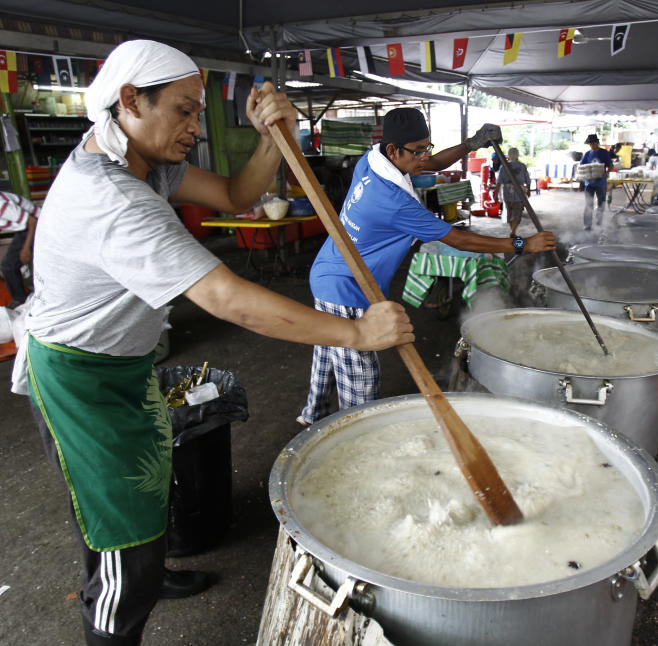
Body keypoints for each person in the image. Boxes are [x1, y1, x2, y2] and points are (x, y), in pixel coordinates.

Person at [18, 40, 414, 646]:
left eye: (198, 110)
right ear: (130, 101)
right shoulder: (113, 198)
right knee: (114, 517)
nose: (194, 127)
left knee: (139, 494)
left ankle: (144, 573)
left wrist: (267, 139)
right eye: (183, 110)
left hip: (122, 367)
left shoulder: (142, 163)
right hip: (79, 379)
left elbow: (236, 196)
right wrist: (358, 332)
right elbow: (229, 300)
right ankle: (121, 605)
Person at [299, 108, 556, 426]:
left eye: (426, 147)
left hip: (325, 270)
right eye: (418, 151)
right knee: (361, 377)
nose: (425, 157)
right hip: (347, 288)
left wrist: (472, 143)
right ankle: (357, 431)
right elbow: (460, 241)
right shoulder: (393, 201)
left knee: (328, 348)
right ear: (395, 149)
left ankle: (314, 414)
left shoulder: (373, 159)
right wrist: (522, 244)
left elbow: (431, 164)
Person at [0, 191, 39, 307]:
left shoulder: (1, 206)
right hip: (25, 228)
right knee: (10, 265)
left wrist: (26, 248)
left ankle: (21, 300)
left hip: (36, 226)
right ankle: (21, 298)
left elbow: (32, 221)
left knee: (8, 265)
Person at [580, 133, 614, 230]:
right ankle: (587, 225)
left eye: (594, 143)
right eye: (590, 144)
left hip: (601, 183)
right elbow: (581, 167)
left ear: (597, 143)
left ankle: (599, 223)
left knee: (601, 204)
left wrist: (607, 172)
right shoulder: (587, 154)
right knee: (588, 204)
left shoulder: (604, 153)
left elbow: (611, 166)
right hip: (589, 183)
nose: (592, 145)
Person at [495, 147, 530, 237]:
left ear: (509, 155)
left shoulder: (504, 166)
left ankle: (512, 230)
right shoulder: (522, 166)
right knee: (517, 212)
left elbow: (499, 182)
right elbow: (527, 180)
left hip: (507, 192)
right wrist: (528, 190)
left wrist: (495, 193)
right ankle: (513, 231)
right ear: (517, 154)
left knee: (509, 211)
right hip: (519, 192)